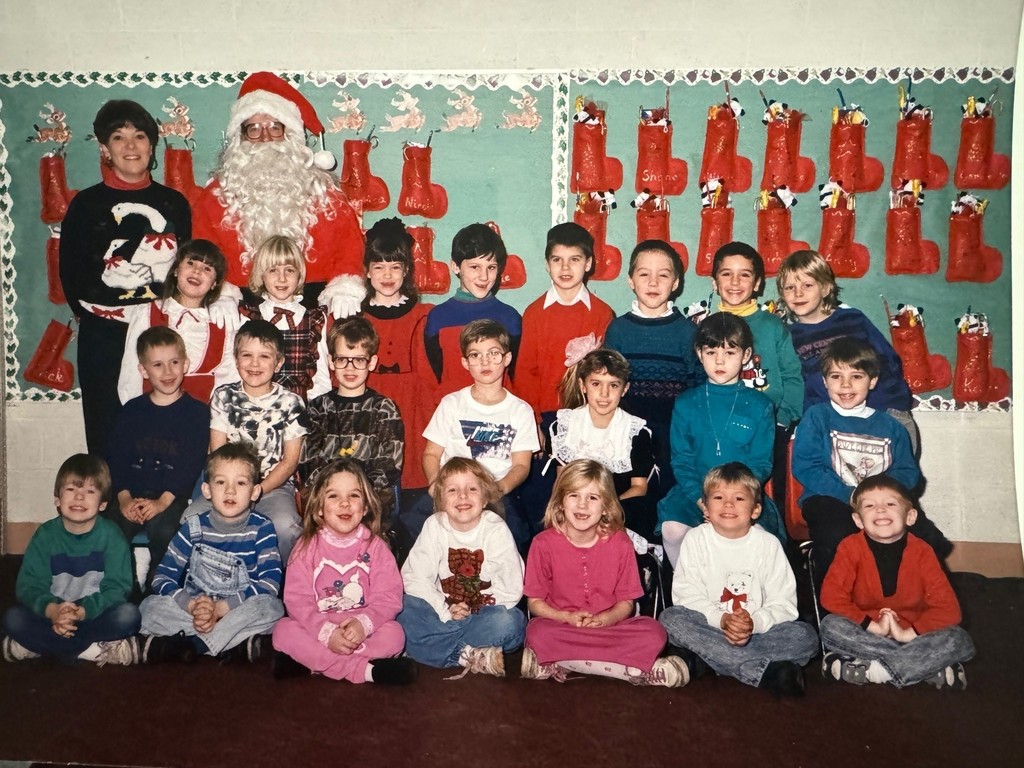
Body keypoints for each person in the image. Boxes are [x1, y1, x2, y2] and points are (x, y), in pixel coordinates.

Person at [59, 99, 192, 455]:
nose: (130, 146)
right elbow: (71, 274)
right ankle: (110, 507)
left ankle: (161, 506)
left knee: (159, 425)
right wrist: (104, 317)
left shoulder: (174, 203)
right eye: (119, 137)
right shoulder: (86, 205)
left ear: (152, 147)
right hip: (104, 333)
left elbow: (186, 271)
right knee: (106, 425)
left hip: (159, 332)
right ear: (105, 149)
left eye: (139, 136)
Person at [191, 71, 365, 307]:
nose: (265, 137)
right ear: (240, 137)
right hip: (239, 306)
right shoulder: (215, 196)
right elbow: (202, 250)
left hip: (313, 305)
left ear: (289, 134)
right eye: (254, 128)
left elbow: (349, 246)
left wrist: (345, 289)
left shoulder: (324, 193)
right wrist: (219, 292)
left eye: (275, 127)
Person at [791, 338, 949, 587]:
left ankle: (906, 599)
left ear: (872, 381)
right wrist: (853, 497)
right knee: (837, 536)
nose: (845, 385)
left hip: (881, 502)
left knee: (929, 537)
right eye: (835, 376)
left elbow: (907, 472)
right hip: (830, 498)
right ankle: (834, 606)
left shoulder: (891, 426)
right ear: (824, 382)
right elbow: (807, 466)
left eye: (856, 376)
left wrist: (878, 500)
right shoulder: (817, 417)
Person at [521, 460, 686, 687]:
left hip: (610, 628)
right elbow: (535, 603)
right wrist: (566, 617)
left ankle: (562, 663)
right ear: (560, 502)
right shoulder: (542, 544)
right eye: (574, 496)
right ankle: (635, 671)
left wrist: (605, 620)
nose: (582, 505)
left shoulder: (620, 542)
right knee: (537, 632)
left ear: (606, 506)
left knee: (654, 632)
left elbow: (626, 603)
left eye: (593, 497)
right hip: (563, 626)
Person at [659, 462, 819, 696]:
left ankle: (709, 659)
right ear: (705, 507)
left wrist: (753, 623)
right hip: (711, 625)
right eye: (718, 497)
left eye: (739, 499)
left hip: (758, 632)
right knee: (671, 619)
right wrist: (722, 619)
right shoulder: (695, 539)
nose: (728, 504)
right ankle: (763, 672)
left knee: (806, 637)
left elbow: (784, 604)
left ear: (755, 510)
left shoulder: (768, 544)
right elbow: (686, 595)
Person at [819, 475, 974, 689]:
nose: (880, 510)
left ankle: (878, 670)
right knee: (830, 626)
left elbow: (949, 610)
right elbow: (831, 596)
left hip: (915, 634)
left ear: (910, 516)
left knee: (959, 639)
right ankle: (923, 666)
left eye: (890, 504)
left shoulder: (923, 552)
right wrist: (873, 626)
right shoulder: (850, 547)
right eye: (870, 505)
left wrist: (907, 634)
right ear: (857, 520)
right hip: (869, 633)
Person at [657, 313, 785, 570]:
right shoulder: (686, 403)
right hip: (694, 493)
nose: (719, 361)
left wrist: (733, 496)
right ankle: (688, 594)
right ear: (699, 353)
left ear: (746, 355)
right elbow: (681, 459)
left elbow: (761, 463)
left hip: (742, 493)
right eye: (711, 352)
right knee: (672, 530)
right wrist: (700, 498)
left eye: (729, 353)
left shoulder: (760, 405)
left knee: (757, 536)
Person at [271, 459, 416, 684]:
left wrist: (363, 624)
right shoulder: (305, 547)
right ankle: (368, 672)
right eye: (333, 496)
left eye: (354, 496)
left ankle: (315, 663)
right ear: (320, 508)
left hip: (360, 630)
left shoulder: (376, 547)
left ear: (365, 506)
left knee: (395, 634)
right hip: (318, 629)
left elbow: (388, 599)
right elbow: (297, 601)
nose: (345, 503)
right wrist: (326, 633)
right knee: (282, 630)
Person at [402, 320, 539, 552]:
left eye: (494, 354)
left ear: (507, 359)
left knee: (518, 534)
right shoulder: (452, 403)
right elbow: (431, 453)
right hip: (452, 489)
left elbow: (521, 466)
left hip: (494, 491)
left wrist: (501, 487)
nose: (485, 361)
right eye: (475, 355)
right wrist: (436, 482)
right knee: (410, 524)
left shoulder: (520, 410)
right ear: (465, 363)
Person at [140, 443, 284, 663]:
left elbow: (269, 585)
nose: (230, 490)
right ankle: (229, 644)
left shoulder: (261, 529)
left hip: (235, 610)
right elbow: (162, 577)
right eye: (220, 482)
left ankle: (193, 644)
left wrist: (221, 609)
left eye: (241, 483)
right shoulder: (192, 527)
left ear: (255, 491)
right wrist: (191, 605)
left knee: (272, 608)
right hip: (194, 611)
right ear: (207, 490)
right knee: (147, 607)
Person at [2, 455, 141, 665]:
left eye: (89, 491)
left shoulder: (112, 536)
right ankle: (89, 650)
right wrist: (53, 611)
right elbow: (28, 586)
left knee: (129, 615)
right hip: (53, 615)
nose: (79, 497)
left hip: (92, 614)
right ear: (57, 499)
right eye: (71, 489)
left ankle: (41, 647)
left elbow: (117, 588)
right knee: (13, 617)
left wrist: (82, 612)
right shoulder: (45, 535)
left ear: (103, 504)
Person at [185, 320, 306, 561]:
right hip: (226, 484)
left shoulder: (292, 403)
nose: (254, 364)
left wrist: (258, 488)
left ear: (279, 362)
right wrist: (231, 487)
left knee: (285, 526)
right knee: (190, 519)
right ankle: (203, 581)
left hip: (272, 487)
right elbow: (216, 453)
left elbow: (290, 461)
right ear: (236, 359)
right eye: (247, 355)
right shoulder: (223, 396)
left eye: (264, 356)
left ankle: (277, 584)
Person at [776, 249, 918, 452]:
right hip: (834, 425)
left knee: (893, 479)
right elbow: (801, 388)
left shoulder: (852, 319)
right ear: (782, 294)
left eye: (807, 285)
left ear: (825, 289)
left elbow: (888, 360)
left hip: (883, 411)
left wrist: (893, 405)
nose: (798, 293)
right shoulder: (789, 336)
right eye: (790, 287)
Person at [397, 457, 526, 678]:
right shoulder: (434, 526)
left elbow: (511, 588)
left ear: (485, 498)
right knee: (404, 609)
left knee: (511, 622)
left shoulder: (495, 528)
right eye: (452, 490)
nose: (463, 496)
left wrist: (471, 610)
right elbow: (414, 578)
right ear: (441, 500)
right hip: (443, 613)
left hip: (483, 616)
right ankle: (465, 654)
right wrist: (445, 610)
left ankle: (430, 647)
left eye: (472, 489)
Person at [104, 327, 210, 589]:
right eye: (158, 365)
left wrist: (162, 502)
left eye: (174, 363)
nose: (168, 372)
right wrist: (124, 497)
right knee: (110, 531)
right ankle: (123, 587)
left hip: (169, 496)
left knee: (165, 532)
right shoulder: (132, 411)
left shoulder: (196, 413)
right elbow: (116, 458)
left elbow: (191, 463)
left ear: (185, 364)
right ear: (143, 370)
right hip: (129, 494)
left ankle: (159, 585)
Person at [78, 239, 240, 405]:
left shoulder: (222, 321)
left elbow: (228, 381)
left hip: (202, 419)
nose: (197, 271)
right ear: (176, 270)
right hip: (152, 416)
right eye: (191, 263)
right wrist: (136, 414)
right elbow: (131, 372)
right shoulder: (147, 312)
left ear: (214, 283)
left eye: (207, 268)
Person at [605, 240, 705, 502]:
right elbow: (608, 384)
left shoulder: (688, 333)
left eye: (663, 275)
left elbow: (697, 387)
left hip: (672, 437)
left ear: (675, 283)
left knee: (667, 502)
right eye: (644, 274)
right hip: (625, 435)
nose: (653, 283)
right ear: (630, 281)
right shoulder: (618, 329)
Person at [710, 241, 803, 512]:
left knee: (766, 501)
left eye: (745, 274)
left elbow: (792, 377)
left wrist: (783, 419)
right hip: (718, 426)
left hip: (768, 426)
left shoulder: (773, 327)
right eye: (726, 273)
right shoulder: (707, 325)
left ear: (758, 283)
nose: (735, 282)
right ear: (715, 281)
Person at [298, 316, 404, 523]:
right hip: (326, 499)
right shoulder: (318, 408)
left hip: (369, 499)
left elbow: (389, 465)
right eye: (342, 359)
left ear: (371, 362)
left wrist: (356, 495)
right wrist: (336, 495)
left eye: (359, 359)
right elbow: (308, 463)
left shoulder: (384, 408)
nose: (350, 367)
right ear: (331, 361)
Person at [546, 349, 656, 540]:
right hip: (574, 509)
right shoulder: (565, 426)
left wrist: (605, 509)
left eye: (613, 385)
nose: (604, 394)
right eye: (596, 384)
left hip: (618, 508)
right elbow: (561, 481)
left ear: (625, 389)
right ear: (583, 385)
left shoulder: (636, 432)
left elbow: (639, 487)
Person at [514, 222, 615, 428]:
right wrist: (532, 421)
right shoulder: (534, 313)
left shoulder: (602, 313)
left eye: (574, 259)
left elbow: (607, 373)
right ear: (547, 264)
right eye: (557, 260)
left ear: (588, 264)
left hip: (589, 415)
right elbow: (525, 374)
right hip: (544, 415)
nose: (565, 268)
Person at [360, 217, 435, 490]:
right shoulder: (354, 316)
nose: (388, 275)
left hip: (412, 410)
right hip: (369, 406)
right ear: (367, 271)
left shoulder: (425, 315)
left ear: (406, 271)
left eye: (395, 267)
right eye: (379, 267)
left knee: (411, 487)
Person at [423, 223, 522, 395]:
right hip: (453, 415)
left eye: (491, 267)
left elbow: (517, 376)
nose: (484, 277)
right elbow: (433, 377)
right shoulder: (437, 318)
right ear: (455, 267)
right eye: (475, 267)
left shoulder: (510, 317)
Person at [239, 234, 331, 402]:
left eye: (289, 270)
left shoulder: (315, 319)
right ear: (262, 274)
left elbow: (322, 379)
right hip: (257, 406)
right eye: (273, 270)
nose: (282, 278)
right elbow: (237, 370)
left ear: (299, 275)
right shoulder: (248, 316)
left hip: (300, 410)